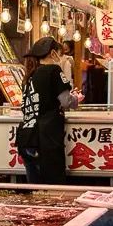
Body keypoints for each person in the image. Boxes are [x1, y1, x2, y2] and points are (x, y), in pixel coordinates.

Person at [16, 37, 79, 184]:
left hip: (26, 138)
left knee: (35, 191)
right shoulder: (54, 70)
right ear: (53, 53)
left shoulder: (29, 74)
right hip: (45, 140)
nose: (61, 57)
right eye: (60, 53)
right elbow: (66, 101)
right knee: (53, 191)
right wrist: (75, 100)